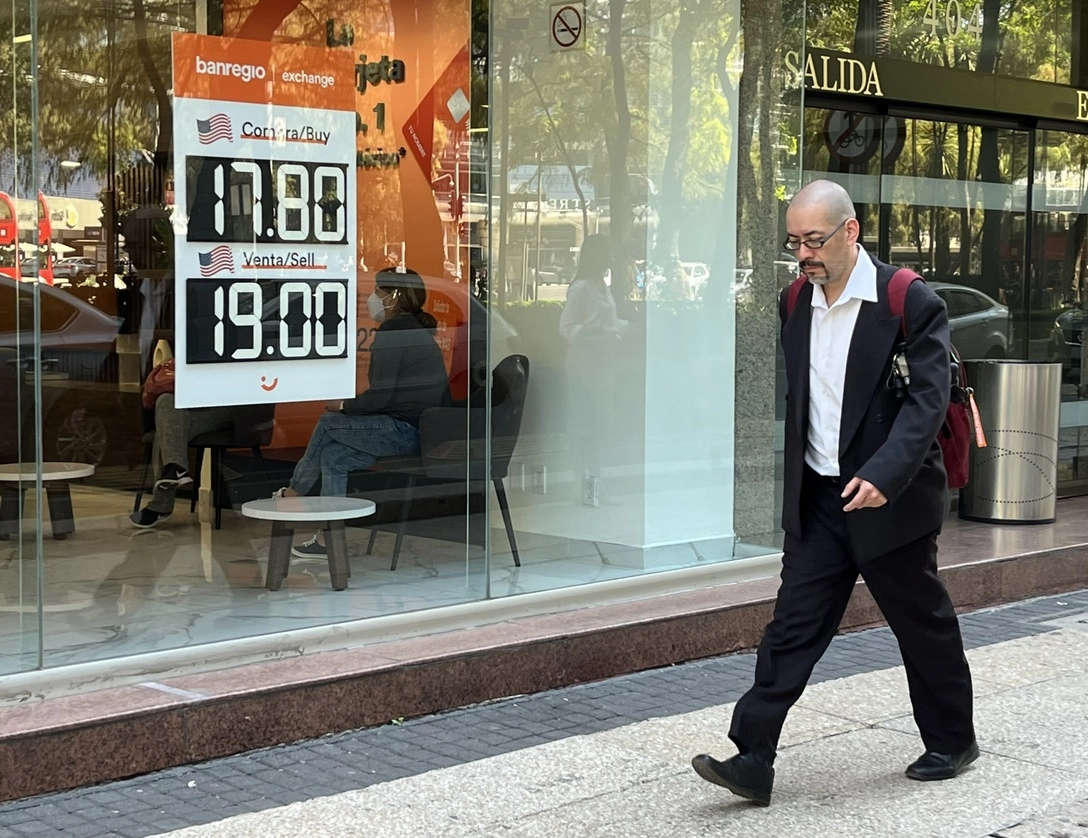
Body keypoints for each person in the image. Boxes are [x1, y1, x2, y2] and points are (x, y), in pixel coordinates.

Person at [691, 180, 976, 805]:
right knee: (792, 626)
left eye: (814, 240)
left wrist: (883, 473)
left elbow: (927, 403)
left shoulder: (908, 301)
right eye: (794, 241)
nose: (803, 254)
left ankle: (954, 739)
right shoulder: (796, 301)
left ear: (851, 232)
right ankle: (753, 757)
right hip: (820, 500)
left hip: (889, 497)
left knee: (919, 621)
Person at [275, 268, 449, 557]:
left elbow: (381, 396)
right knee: (334, 457)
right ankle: (329, 540)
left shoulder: (394, 333)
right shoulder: (411, 329)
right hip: (419, 431)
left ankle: (294, 492)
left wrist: (344, 406)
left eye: (378, 292)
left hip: (405, 432)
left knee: (329, 422)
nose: (372, 298)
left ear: (393, 297)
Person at [559, 235, 628, 504]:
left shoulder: (601, 286)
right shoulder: (582, 288)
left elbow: (609, 322)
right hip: (584, 366)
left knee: (600, 426)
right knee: (586, 425)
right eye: (607, 253)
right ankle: (583, 487)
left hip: (603, 365)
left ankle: (595, 486)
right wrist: (596, 334)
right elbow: (567, 327)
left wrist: (627, 329)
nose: (611, 258)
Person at [129, 390, 236, 528]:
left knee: (165, 431)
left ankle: (161, 504)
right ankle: (175, 468)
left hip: (227, 407)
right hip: (191, 405)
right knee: (166, 400)